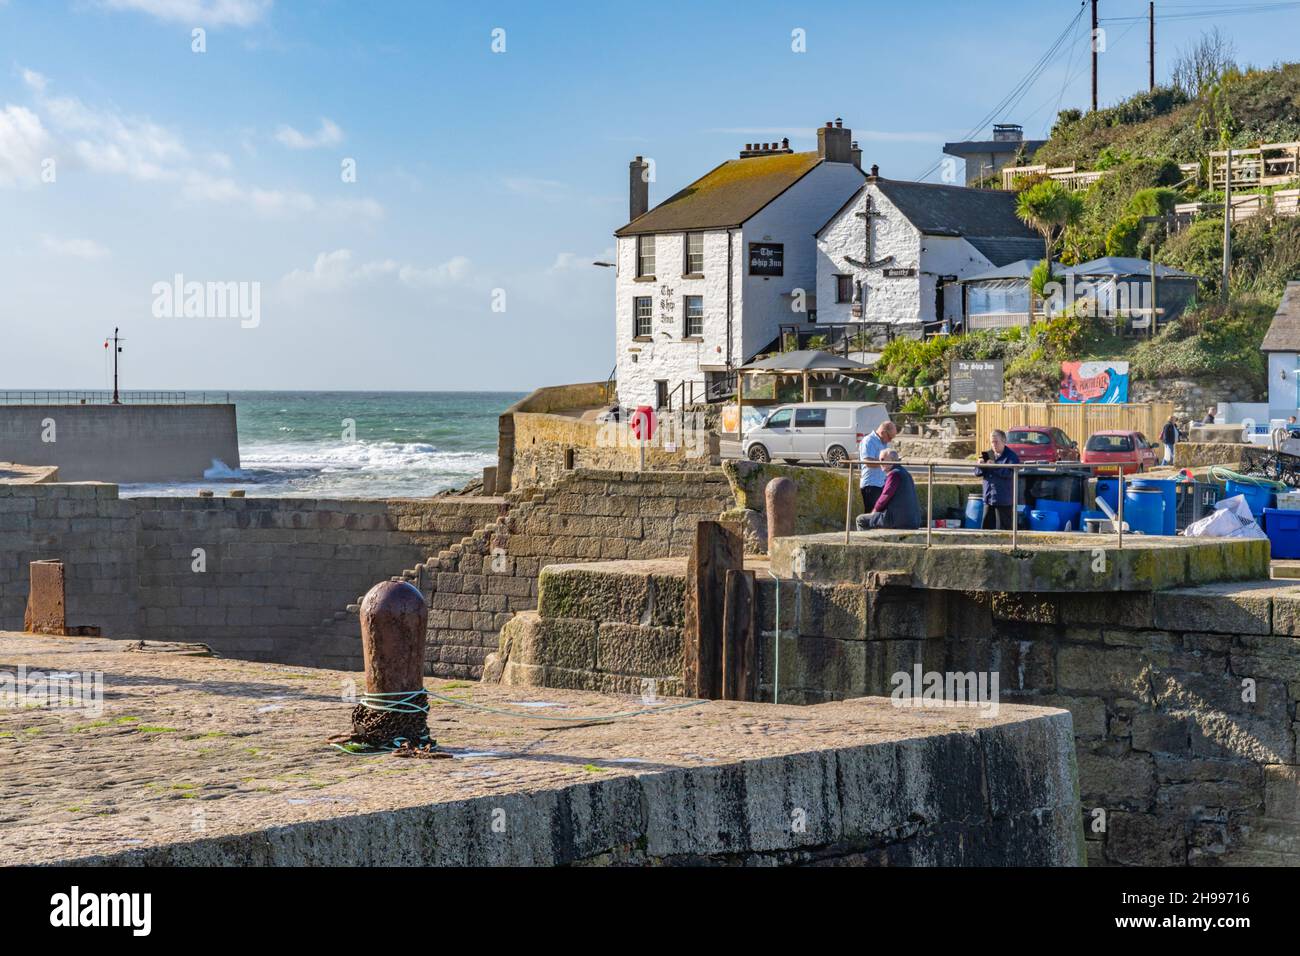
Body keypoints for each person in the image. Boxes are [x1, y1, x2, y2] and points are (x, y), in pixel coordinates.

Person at [854, 449, 921, 530]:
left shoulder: (894, 474)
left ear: (892, 460)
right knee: (874, 518)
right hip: (913, 521)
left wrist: (874, 512)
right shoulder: (905, 473)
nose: (880, 463)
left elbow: (885, 496)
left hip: (897, 520)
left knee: (860, 520)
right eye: (879, 460)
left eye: (882, 459)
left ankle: (866, 541)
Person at [976, 429, 1020, 530]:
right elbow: (977, 473)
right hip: (989, 498)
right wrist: (979, 465)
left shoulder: (1011, 456)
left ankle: (1008, 545)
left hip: (1004, 499)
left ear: (1004, 441)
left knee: (1005, 530)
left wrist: (994, 466)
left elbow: (1009, 474)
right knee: (986, 529)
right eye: (992, 442)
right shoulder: (988, 454)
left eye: (996, 442)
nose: (994, 445)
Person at [858, 419, 898, 514]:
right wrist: (886, 462)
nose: (890, 440)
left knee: (879, 516)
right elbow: (867, 462)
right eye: (890, 437)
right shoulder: (869, 440)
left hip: (881, 484)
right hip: (871, 484)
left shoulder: (883, 442)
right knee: (871, 516)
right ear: (883, 432)